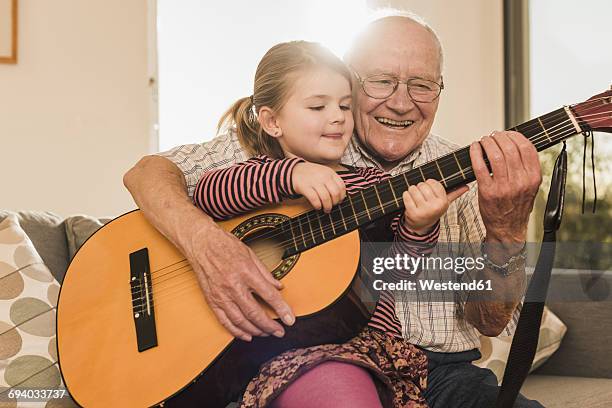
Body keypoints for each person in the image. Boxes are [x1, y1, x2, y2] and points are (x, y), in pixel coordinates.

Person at [124, 11, 543, 408]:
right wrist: (211, 242)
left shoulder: (465, 178)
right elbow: (154, 175)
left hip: (424, 370)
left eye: (422, 85)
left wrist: (501, 227)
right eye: (381, 81)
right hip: (310, 360)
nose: (401, 103)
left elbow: (478, 315)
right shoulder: (285, 139)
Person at [190, 40, 469, 407]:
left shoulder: (372, 185)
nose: (337, 116)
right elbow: (208, 192)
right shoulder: (257, 176)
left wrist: (419, 227)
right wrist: (290, 174)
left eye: (344, 106)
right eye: (318, 106)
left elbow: (392, 274)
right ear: (272, 121)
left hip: (363, 345)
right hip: (276, 355)